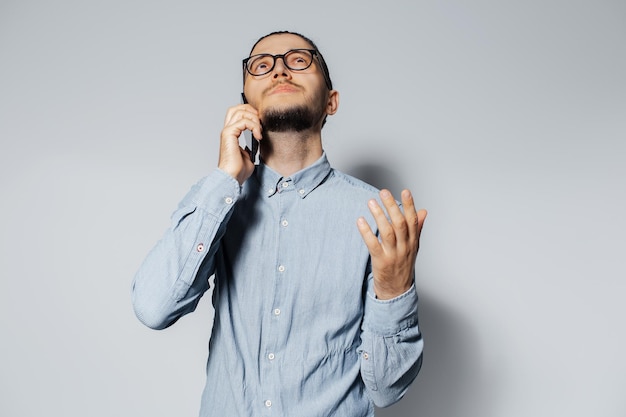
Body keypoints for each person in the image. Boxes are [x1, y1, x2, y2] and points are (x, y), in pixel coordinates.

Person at [132, 30, 428, 417]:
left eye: (299, 61)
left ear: (331, 102)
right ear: (245, 103)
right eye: (262, 65)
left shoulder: (377, 216)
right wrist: (225, 178)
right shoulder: (218, 200)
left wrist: (394, 289)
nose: (280, 71)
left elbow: (387, 388)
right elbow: (154, 308)